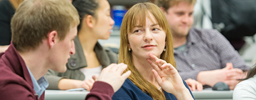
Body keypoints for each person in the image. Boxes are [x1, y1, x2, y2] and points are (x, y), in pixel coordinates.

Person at [0, 0, 130, 100]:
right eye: (71, 39)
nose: (73, 50)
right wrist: (103, 88)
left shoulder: (27, 78)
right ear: (53, 39)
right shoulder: (9, 87)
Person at [154, 0, 250, 90]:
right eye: (180, 14)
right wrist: (202, 77)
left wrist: (235, 78)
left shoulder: (211, 36)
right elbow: (153, 78)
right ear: (162, 12)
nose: (186, 20)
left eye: (190, 14)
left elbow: (244, 70)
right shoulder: (153, 46)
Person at [112, 2, 194, 100]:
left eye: (155, 29)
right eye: (138, 30)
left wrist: (181, 92)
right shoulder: (119, 86)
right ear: (127, 42)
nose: (148, 37)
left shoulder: (177, 83)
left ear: (166, 39)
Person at [45, 0, 117, 91]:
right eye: (107, 15)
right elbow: (42, 78)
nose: (112, 22)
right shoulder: (62, 53)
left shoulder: (111, 58)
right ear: (90, 20)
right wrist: (80, 84)